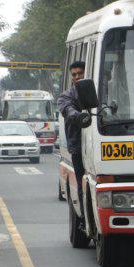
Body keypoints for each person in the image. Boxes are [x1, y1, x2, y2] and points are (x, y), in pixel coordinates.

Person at [57, 61, 89, 204]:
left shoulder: (99, 90)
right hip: (78, 147)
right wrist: (78, 116)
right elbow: (67, 109)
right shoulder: (65, 96)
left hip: (98, 142)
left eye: (80, 73)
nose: (77, 76)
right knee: (81, 183)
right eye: (74, 75)